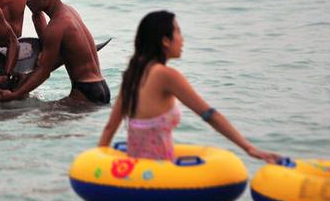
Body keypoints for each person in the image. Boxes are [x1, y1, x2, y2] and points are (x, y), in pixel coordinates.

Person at [97, 10, 279, 162]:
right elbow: (210, 115)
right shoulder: (166, 76)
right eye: (178, 32)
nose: (182, 39)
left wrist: (99, 168)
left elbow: (109, 128)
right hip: (161, 175)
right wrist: (249, 148)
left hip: (135, 173)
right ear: (165, 41)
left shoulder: (133, 73)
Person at [0, 0, 110, 104]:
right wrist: (26, 77)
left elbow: (44, 72)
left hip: (84, 92)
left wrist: (14, 95)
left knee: (35, 121)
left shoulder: (56, 26)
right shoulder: (69, 12)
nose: (27, 0)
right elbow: (62, 54)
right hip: (100, 86)